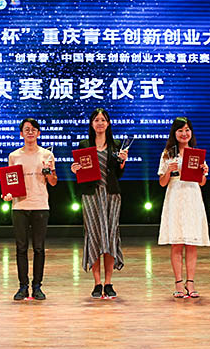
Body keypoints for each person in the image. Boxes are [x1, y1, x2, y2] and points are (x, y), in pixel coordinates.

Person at [71, 108, 127, 299]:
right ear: (92, 124)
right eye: (97, 120)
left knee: (110, 236)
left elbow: (118, 174)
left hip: (111, 196)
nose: (100, 123)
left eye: (103, 120)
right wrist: (75, 169)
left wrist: (122, 163)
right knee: (94, 236)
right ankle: (97, 283)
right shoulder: (84, 145)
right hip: (91, 196)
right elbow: (81, 171)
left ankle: (108, 282)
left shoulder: (116, 145)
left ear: (108, 123)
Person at [3, 118, 57, 301]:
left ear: (38, 133)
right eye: (27, 129)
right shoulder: (14, 156)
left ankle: (37, 286)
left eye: (34, 129)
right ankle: (23, 286)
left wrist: (48, 173)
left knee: (39, 248)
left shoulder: (47, 155)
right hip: (20, 206)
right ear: (21, 134)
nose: (30, 132)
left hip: (40, 204)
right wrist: (8, 194)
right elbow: (10, 182)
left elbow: (53, 182)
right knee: (21, 248)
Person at [157, 117, 210, 298]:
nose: (184, 133)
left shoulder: (196, 154)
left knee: (191, 243)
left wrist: (203, 172)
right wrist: (168, 170)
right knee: (177, 242)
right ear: (174, 133)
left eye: (187, 130)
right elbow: (162, 182)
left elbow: (202, 182)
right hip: (175, 196)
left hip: (192, 196)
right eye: (180, 130)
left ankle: (191, 283)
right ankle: (179, 283)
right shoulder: (167, 154)